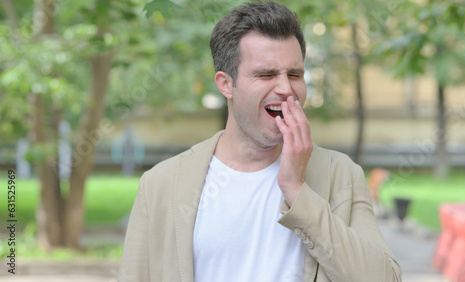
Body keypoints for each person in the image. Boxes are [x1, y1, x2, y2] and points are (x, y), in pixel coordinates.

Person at [118, 1, 402, 281]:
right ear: (226, 84)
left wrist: (296, 189)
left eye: (295, 74)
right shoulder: (162, 185)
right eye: (265, 75)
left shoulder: (342, 176)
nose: (285, 88)